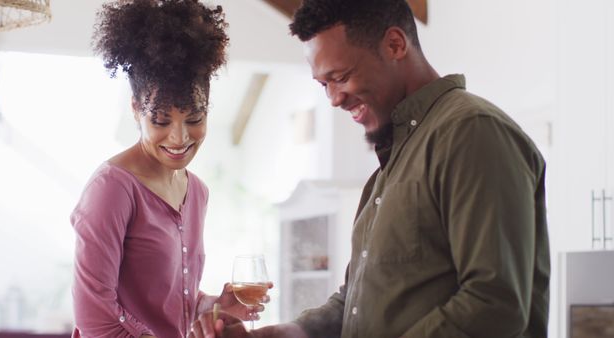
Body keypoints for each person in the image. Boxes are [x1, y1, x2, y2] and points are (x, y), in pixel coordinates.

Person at [189, 0, 550, 337]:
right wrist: (285, 333)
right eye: (323, 84)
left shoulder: (472, 132)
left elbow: (493, 304)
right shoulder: (391, 163)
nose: (333, 99)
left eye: (341, 77)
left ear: (395, 45)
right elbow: (355, 301)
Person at [70, 1, 266, 337]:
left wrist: (213, 306)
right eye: (160, 120)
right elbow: (95, 320)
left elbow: (168, 301)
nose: (179, 138)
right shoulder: (112, 189)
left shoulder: (197, 191)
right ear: (136, 109)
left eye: (194, 119)